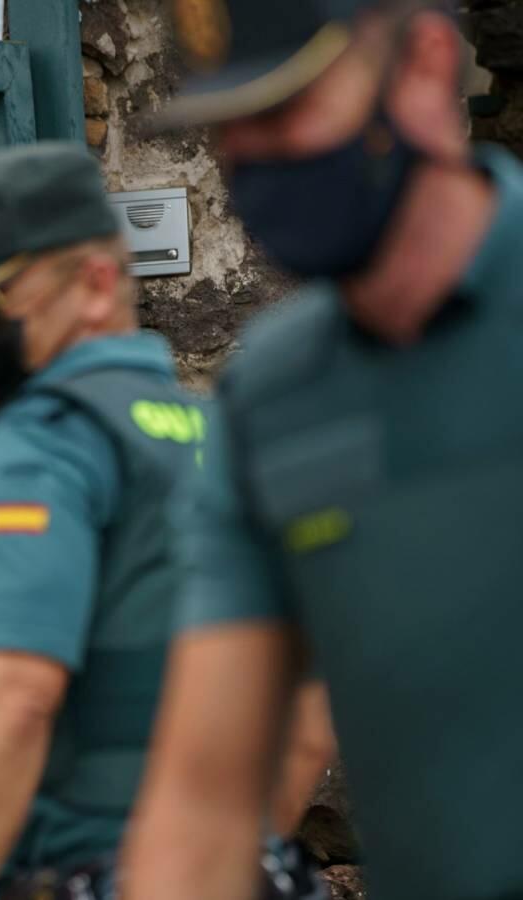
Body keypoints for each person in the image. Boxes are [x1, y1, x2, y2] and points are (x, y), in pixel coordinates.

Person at [120, 2, 523, 900]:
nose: (254, 157)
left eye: (286, 107)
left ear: (422, 66)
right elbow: (205, 798)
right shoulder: (271, 395)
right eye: (229, 127)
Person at [0, 143, 331, 900]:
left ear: (96, 284)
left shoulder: (44, 446)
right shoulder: (222, 438)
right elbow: (306, 719)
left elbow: (14, 696)